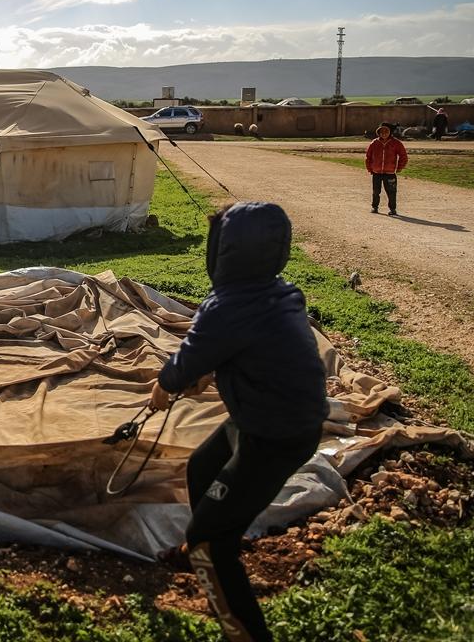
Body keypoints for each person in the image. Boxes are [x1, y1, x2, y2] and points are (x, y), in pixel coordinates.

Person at [150, 202, 328, 642]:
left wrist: (165, 386)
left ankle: (241, 626)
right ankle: (205, 555)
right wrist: (216, 369)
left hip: (273, 435)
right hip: (275, 419)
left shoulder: (227, 306)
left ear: (223, 252)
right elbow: (250, 344)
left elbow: (183, 364)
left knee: (209, 534)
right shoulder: (281, 291)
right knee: (201, 468)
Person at [365, 123, 407, 215]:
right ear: (378, 133)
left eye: (386, 131)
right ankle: (374, 207)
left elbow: (403, 155)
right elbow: (368, 157)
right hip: (377, 172)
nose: (384, 133)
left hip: (390, 172)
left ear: (390, 132)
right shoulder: (374, 143)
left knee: (391, 192)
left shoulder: (396, 143)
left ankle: (392, 209)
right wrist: (370, 168)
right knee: (376, 191)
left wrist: (400, 167)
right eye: (382, 132)